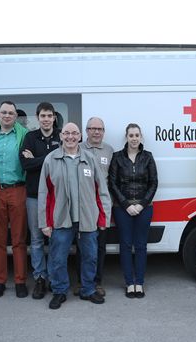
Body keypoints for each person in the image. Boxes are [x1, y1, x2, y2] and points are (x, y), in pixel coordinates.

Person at [38, 122, 111, 309]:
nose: (70, 137)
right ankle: (59, 291)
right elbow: (44, 194)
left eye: (74, 133)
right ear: (61, 136)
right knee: (58, 258)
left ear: (80, 136)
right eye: (67, 133)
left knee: (90, 256)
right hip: (61, 219)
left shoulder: (90, 159)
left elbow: (101, 191)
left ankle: (88, 289)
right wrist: (44, 223)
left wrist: (104, 218)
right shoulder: (50, 160)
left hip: (88, 218)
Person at [0, 101, 29, 298]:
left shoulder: (24, 135)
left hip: (18, 189)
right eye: (4, 112)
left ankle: (20, 281)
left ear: (16, 116)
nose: (7, 115)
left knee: (19, 239)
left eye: (11, 113)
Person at [108, 123, 158, 298]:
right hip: (122, 209)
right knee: (126, 245)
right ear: (126, 137)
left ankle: (140, 283)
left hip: (144, 208)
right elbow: (112, 184)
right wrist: (126, 205)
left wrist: (142, 204)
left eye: (137, 135)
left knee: (141, 246)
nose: (134, 138)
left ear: (141, 137)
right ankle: (129, 282)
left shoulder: (148, 157)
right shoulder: (117, 157)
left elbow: (153, 183)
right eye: (131, 135)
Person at [20, 102, 61, 299]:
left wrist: (38, 158)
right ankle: (39, 278)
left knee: (54, 240)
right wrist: (49, 158)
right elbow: (26, 165)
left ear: (54, 117)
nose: (46, 119)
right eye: (43, 115)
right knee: (36, 240)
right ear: (38, 117)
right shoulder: (30, 137)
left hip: (57, 198)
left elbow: (62, 162)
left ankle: (53, 278)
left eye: (49, 115)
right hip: (34, 196)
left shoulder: (62, 136)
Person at [75, 117, 114, 297]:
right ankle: (81, 281)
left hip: (102, 206)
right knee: (82, 247)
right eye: (92, 128)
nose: (96, 132)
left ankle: (97, 282)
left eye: (100, 129)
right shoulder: (78, 148)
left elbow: (112, 180)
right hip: (84, 207)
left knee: (100, 246)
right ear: (86, 131)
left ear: (103, 131)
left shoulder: (109, 151)